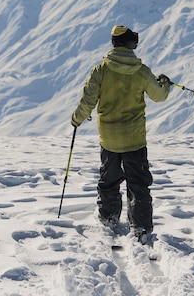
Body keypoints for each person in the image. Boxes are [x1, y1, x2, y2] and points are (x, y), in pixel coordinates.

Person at [71, 25, 171, 244]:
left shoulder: (101, 70)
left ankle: (108, 218)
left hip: (109, 139)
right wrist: (165, 83)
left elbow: (88, 101)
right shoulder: (142, 71)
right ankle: (141, 227)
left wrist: (76, 119)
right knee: (138, 184)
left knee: (109, 180)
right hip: (134, 139)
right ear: (131, 45)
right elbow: (159, 96)